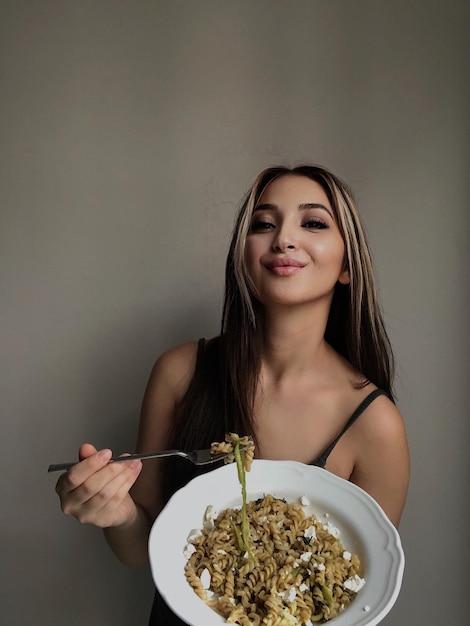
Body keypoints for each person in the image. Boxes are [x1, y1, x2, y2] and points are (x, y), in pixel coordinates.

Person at [55, 164, 410, 625]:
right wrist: (117, 512)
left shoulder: (373, 422)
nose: (283, 238)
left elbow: (357, 592)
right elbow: (140, 549)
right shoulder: (180, 372)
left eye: (313, 222)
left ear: (347, 265)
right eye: (264, 224)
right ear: (244, 254)